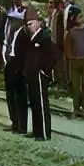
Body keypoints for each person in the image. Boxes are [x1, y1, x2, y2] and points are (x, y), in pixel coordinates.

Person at [23, 9, 57, 140]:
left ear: (38, 23)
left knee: (41, 103)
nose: (29, 27)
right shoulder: (30, 38)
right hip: (31, 74)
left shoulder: (44, 37)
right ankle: (36, 130)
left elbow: (53, 56)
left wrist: (45, 70)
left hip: (39, 75)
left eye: (31, 24)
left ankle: (44, 132)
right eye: (27, 25)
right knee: (34, 102)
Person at [64, 11, 84, 116]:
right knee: (76, 87)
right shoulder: (71, 33)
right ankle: (76, 108)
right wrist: (72, 58)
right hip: (75, 63)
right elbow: (67, 49)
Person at [2, 8, 28, 132]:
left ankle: (21, 125)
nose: (11, 23)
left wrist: (19, 68)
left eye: (13, 20)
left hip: (18, 67)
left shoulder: (23, 34)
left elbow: (23, 54)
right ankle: (14, 122)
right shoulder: (11, 33)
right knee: (10, 96)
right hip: (9, 65)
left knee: (19, 98)